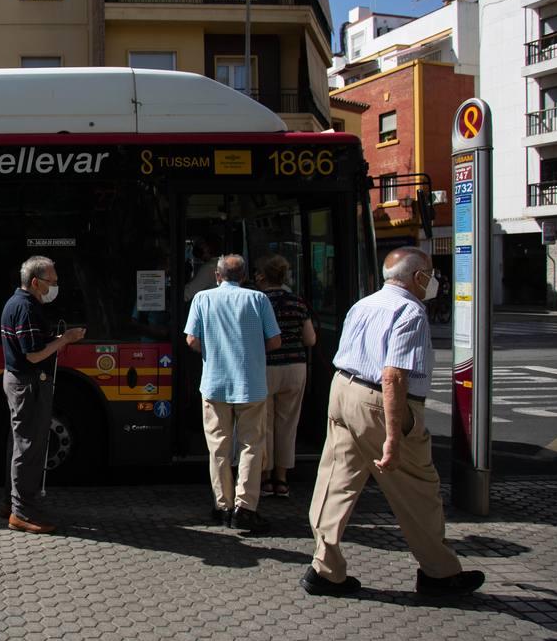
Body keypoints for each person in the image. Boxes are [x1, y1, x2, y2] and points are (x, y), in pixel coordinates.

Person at [302, 246, 486, 598]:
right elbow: (393, 377)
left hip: (343, 390)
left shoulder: (364, 304)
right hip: (378, 402)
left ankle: (325, 570)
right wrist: (393, 438)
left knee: (336, 480)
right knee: (418, 488)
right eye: (430, 274)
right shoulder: (410, 311)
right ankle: (439, 573)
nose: (432, 282)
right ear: (418, 277)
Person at [184, 254, 281, 532]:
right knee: (251, 446)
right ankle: (246, 508)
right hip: (251, 384)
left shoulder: (203, 299)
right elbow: (274, 340)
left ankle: (222, 506)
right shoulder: (258, 300)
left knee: (218, 447)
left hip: (215, 383)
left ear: (217, 275)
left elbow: (191, 340)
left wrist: (214, 351)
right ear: (245, 276)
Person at [0, 257, 86, 534]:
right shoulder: (25, 308)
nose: (56, 286)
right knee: (29, 447)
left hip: (21, 381)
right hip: (28, 384)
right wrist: (65, 339)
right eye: (53, 282)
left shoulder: (19, 304)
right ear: (36, 282)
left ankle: (12, 504)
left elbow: (34, 345)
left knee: (19, 444)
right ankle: (22, 513)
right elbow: (33, 353)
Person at [254, 254, 317, 498]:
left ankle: (265, 476)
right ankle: (282, 479)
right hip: (295, 367)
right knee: (287, 424)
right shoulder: (297, 302)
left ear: (262, 277)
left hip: (266, 367)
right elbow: (310, 339)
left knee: (264, 424)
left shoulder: (258, 301)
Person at [183, 237, 221, 301]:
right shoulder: (220, 262)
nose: (196, 246)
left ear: (209, 247)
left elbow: (186, 294)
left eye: (200, 244)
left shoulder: (209, 267)